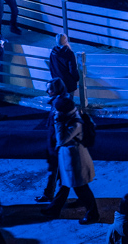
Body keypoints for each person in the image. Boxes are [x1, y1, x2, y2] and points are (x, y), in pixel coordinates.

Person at [41, 96, 101, 224]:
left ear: (63, 111)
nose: (55, 112)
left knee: (81, 188)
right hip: (68, 159)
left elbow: (61, 140)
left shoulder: (75, 123)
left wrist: (57, 122)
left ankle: (93, 214)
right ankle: (54, 209)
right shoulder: (68, 118)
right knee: (64, 184)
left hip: (75, 160)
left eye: (57, 110)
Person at [35, 79, 69, 204]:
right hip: (55, 144)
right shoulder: (59, 102)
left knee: (57, 172)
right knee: (58, 172)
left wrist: (57, 145)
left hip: (57, 145)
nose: (47, 91)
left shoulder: (60, 105)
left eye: (50, 89)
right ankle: (50, 195)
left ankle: (52, 197)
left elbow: (59, 128)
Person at [49, 33, 80, 99]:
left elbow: (51, 67)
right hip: (68, 83)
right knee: (69, 101)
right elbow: (72, 69)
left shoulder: (53, 52)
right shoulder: (69, 53)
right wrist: (76, 78)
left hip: (57, 82)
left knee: (60, 99)